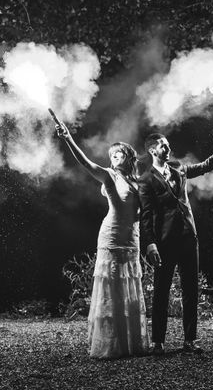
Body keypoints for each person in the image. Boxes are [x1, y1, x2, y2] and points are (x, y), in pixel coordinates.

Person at [139, 126, 213, 355]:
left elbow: (205, 166)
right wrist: (150, 243)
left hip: (188, 237)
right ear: (153, 150)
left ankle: (190, 340)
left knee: (191, 289)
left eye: (167, 143)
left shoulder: (179, 168)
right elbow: (145, 216)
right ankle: (158, 342)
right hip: (164, 240)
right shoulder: (145, 180)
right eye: (163, 144)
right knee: (161, 291)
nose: (168, 147)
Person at [55, 122, 149, 359]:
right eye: (112, 154)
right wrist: (68, 138)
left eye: (119, 153)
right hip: (112, 236)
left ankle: (130, 343)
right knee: (113, 289)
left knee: (128, 288)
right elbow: (86, 163)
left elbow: (144, 212)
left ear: (128, 156)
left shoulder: (139, 182)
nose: (114, 156)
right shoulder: (109, 176)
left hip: (132, 239)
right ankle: (111, 345)